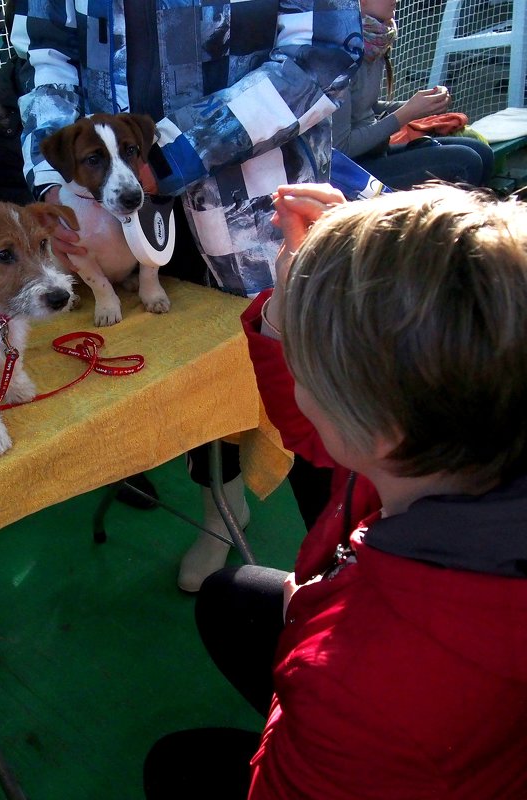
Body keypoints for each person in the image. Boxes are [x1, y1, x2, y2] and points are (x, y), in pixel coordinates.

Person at [143, 182, 527, 798]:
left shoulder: (357, 692)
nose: (296, 371)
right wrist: (304, 296)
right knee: (231, 598)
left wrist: (307, 642)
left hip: (366, 717)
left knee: (177, 765)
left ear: (380, 428)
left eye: (306, 360)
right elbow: (321, 436)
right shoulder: (464, 438)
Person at [10, 0, 363, 591]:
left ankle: (352, 563)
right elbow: (44, 52)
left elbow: (319, 53)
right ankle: (221, 515)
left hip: (256, 207)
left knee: (310, 382)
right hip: (114, 214)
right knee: (190, 387)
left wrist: (170, 154)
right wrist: (59, 181)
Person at [332, 0, 494, 190]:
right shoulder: (338, 54)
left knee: (481, 151)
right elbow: (341, 148)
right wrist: (406, 114)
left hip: (374, 152)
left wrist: (422, 106)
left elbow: (365, 107)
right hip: (347, 172)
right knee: (467, 162)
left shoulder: (374, 41)